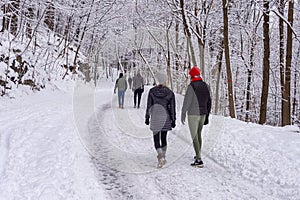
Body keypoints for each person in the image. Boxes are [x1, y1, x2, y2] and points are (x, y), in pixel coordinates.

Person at [181, 66, 211, 168]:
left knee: (194, 136)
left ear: (192, 76)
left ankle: (199, 160)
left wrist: (183, 113)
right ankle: (198, 155)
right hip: (203, 114)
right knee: (198, 135)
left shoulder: (192, 86)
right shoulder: (206, 86)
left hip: (193, 114)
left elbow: (187, 101)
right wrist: (207, 115)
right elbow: (209, 102)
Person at [145, 71, 176, 168]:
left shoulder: (152, 91)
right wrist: (173, 119)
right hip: (165, 117)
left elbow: (149, 105)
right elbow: (172, 107)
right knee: (164, 138)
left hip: (155, 117)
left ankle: (160, 157)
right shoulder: (170, 93)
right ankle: (163, 156)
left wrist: (147, 117)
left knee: (156, 139)